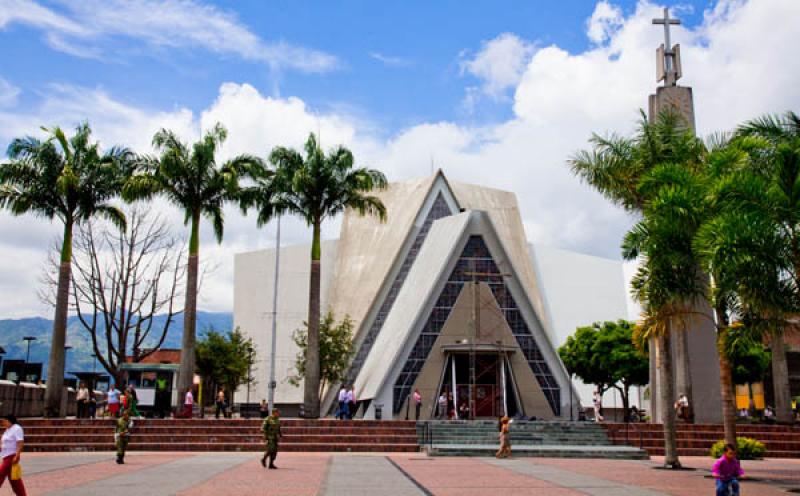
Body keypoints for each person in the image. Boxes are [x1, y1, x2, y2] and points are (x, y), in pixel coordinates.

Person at [0, 415, 27, 495]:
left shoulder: (17, 428)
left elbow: (20, 442)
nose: (3, 423)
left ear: (9, 421)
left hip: (11, 456)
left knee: (1, 474)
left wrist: (17, 455)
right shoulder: (8, 429)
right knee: (14, 479)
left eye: (4, 421)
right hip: (5, 456)